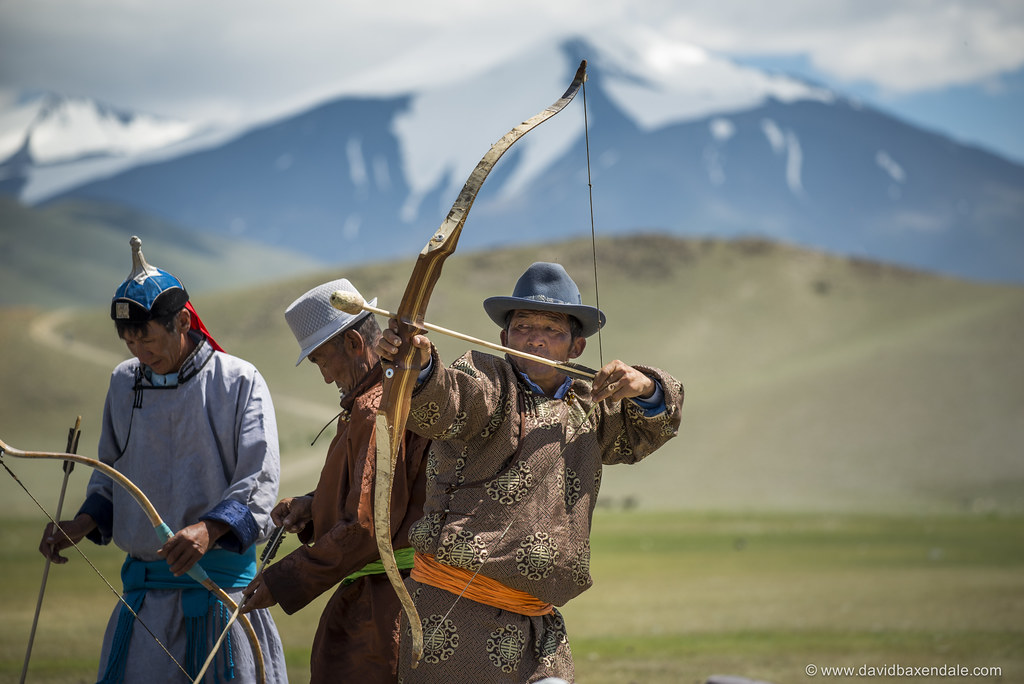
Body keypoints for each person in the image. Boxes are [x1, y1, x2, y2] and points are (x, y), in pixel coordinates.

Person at [375, 261, 684, 682]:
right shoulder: (486, 378)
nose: (536, 339)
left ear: (575, 347)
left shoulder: (590, 402)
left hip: (539, 629)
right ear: (504, 338)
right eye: (523, 328)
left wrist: (645, 387)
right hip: (453, 619)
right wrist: (420, 366)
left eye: (553, 330)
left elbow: (649, 426)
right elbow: (447, 401)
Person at [38, 236, 288, 684]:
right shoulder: (123, 383)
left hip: (221, 600)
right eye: (130, 340)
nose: (140, 352)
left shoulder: (239, 381)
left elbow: (259, 480)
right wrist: (81, 525)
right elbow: (110, 477)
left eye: (148, 337)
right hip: (145, 609)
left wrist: (209, 529)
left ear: (184, 322)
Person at [240, 278, 429, 682]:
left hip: (385, 609)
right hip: (387, 600)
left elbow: (367, 528)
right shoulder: (377, 401)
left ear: (356, 345)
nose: (326, 377)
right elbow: (372, 493)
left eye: (322, 360)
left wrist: (284, 578)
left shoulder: (375, 407)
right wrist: (313, 506)